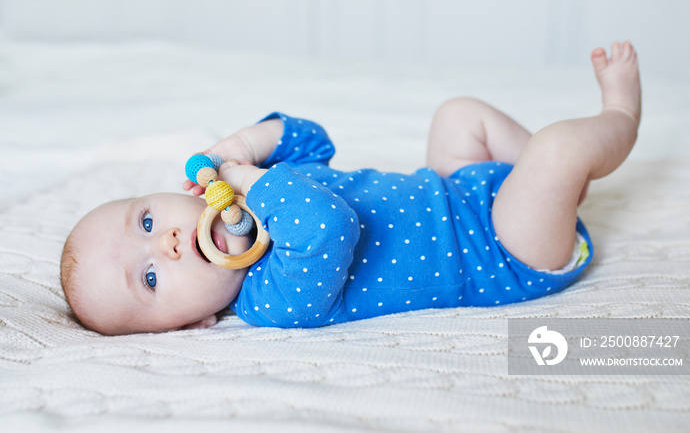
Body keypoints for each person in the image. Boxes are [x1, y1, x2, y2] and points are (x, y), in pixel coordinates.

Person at [60, 42, 641, 335]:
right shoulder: (273, 299)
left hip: (457, 192)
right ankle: (617, 117)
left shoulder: (252, 191)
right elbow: (326, 225)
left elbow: (314, 142)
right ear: (193, 325)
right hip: (503, 251)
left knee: (458, 116)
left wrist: (241, 145)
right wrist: (245, 180)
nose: (166, 243)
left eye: (144, 221)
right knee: (557, 150)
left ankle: (557, 192)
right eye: (152, 278)